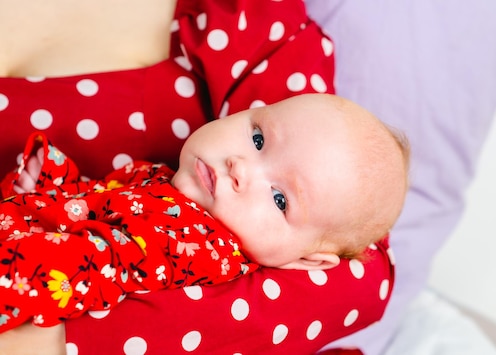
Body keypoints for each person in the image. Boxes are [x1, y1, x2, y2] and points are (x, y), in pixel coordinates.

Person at [0, 94, 409, 335]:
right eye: (258, 137)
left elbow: (88, 265)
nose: (241, 166)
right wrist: (50, 179)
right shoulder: (172, 184)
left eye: (281, 199)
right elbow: (94, 208)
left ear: (304, 259)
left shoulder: (197, 242)